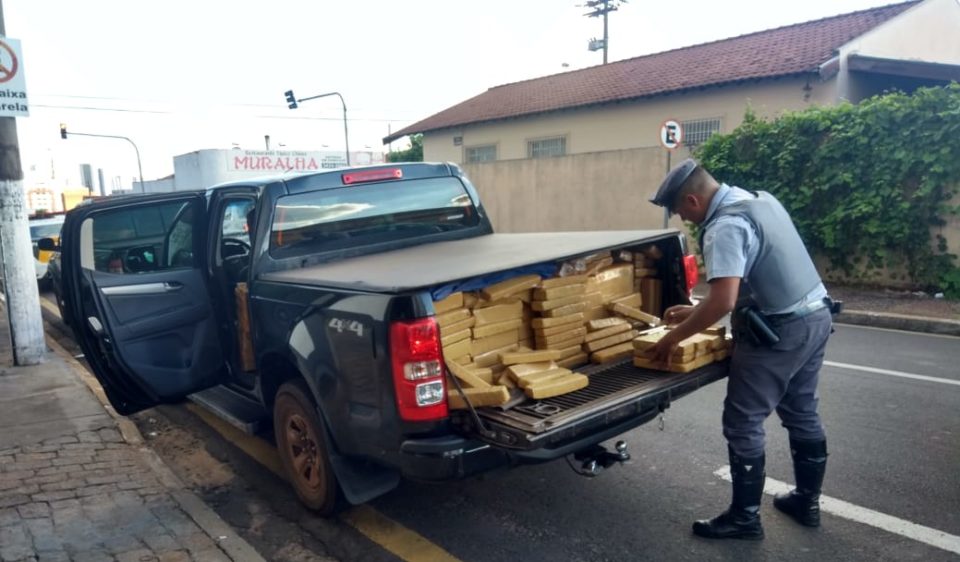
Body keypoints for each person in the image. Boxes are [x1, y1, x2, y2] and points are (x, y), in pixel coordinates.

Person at [647, 158, 833, 540]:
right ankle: (806, 502)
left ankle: (745, 518)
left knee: (742, 420)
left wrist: (672, 337)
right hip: (816, 316)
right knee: (801, 410)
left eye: (680, 210)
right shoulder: (758, 200)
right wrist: (696, 308)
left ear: (694, 201)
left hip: (779, 332)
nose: (682, 217)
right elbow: (744, 279)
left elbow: (724, 302)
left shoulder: (725, 226)